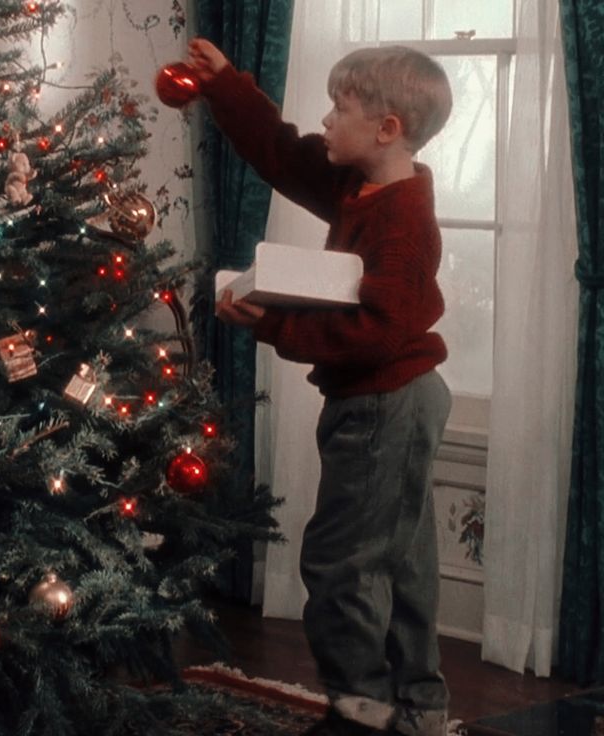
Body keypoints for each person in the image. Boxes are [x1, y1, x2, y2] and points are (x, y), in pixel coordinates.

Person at [188, 38, 453, 736]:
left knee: (342, 563)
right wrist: (226, 88)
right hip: (390, 396)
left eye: (341, 108)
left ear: (388, 128)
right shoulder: (357, 184)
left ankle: (363, 707)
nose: (326, 120)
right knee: (397, 562)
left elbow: (377, 333)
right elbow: (283, 153)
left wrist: (272, 324)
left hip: (384, 399)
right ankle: (418, 709)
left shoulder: (402, 220)